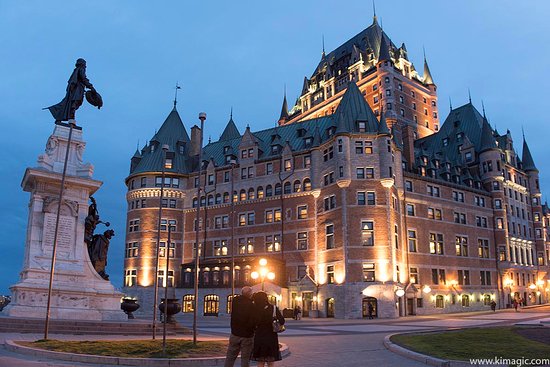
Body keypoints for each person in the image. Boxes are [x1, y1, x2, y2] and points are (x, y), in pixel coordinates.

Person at [251, 291, 285, 367]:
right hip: (271, 336)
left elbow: (251, 323)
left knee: (260, 361)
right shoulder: (273, 308)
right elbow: (282, 321)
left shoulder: (254, 309)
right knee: (270, 361)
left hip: (259, 336)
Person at [224, 286, 256, 367]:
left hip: (235, 333)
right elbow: (252, 320)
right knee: (245, 358)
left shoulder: (235, 301)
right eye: (251, 293)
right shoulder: (251, 305)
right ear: (249, 294)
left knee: (230, 356)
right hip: (247, 335)